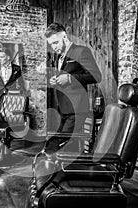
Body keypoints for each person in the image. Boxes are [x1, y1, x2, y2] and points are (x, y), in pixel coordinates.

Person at [44, 22, 102, 153]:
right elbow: (64, 76)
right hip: (63, 109)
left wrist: (69, 78)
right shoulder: (59, 56)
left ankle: (58, 171)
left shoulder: (81, 51)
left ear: (64, 37)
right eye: (51, 44)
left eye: (55, 43)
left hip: (76, 110)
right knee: (53, 143)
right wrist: (56, 81)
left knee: (59, 145)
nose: (53, 47)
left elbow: (96, 76)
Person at [0, 47, 27, 123]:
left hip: (11, 97)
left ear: (8, 57)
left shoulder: (17, 69)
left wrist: (21, 95)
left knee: (11, 119)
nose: (0, 59)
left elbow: (21, 83)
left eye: (2, 57)